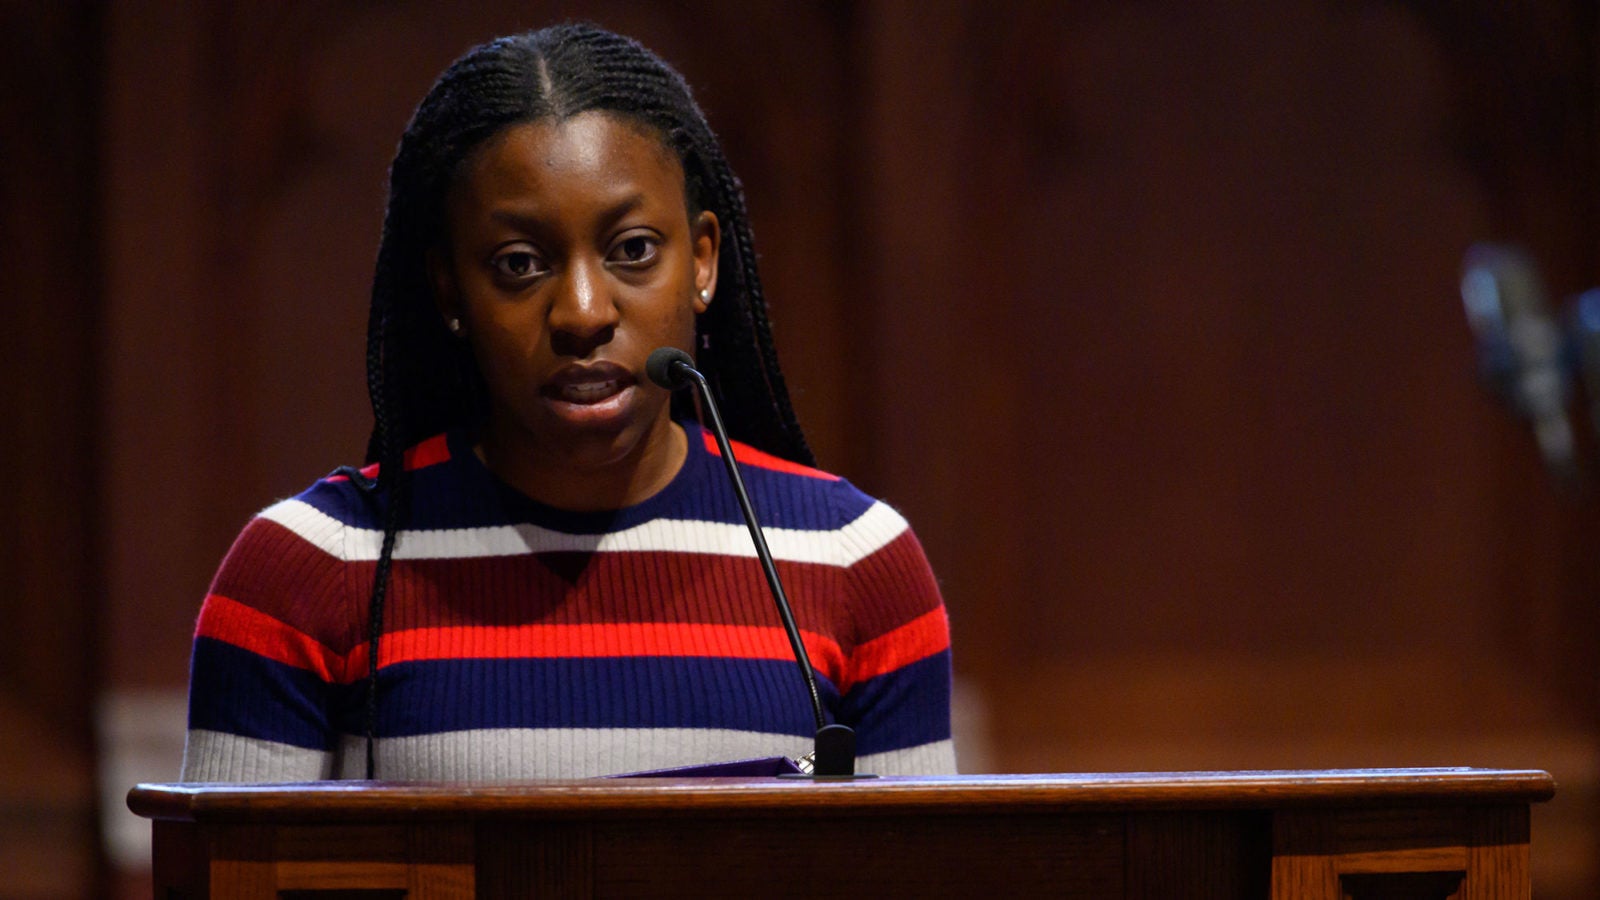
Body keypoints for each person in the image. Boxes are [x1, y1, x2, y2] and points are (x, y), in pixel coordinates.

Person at [180, 23, 955, 782]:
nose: (583, 313)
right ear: (450, 287)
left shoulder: (858, 561)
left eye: (634, 251)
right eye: (520, 263)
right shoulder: (308, 571)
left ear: (704, 260)